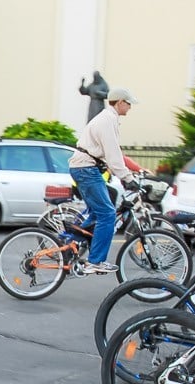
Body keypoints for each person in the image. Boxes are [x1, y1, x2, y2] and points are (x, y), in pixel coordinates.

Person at [68, 87, 139, 273]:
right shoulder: (107, 120)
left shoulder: (108, 119)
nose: (130, 107)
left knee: (96, 214)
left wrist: (124, 174)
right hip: (86, 170)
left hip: (86, 169)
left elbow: (110, 156)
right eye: (129, 103)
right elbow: (113, 154)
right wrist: (127, 177)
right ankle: (95, 261)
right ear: (120, 102)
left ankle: (68, 246)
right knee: (107, 214)